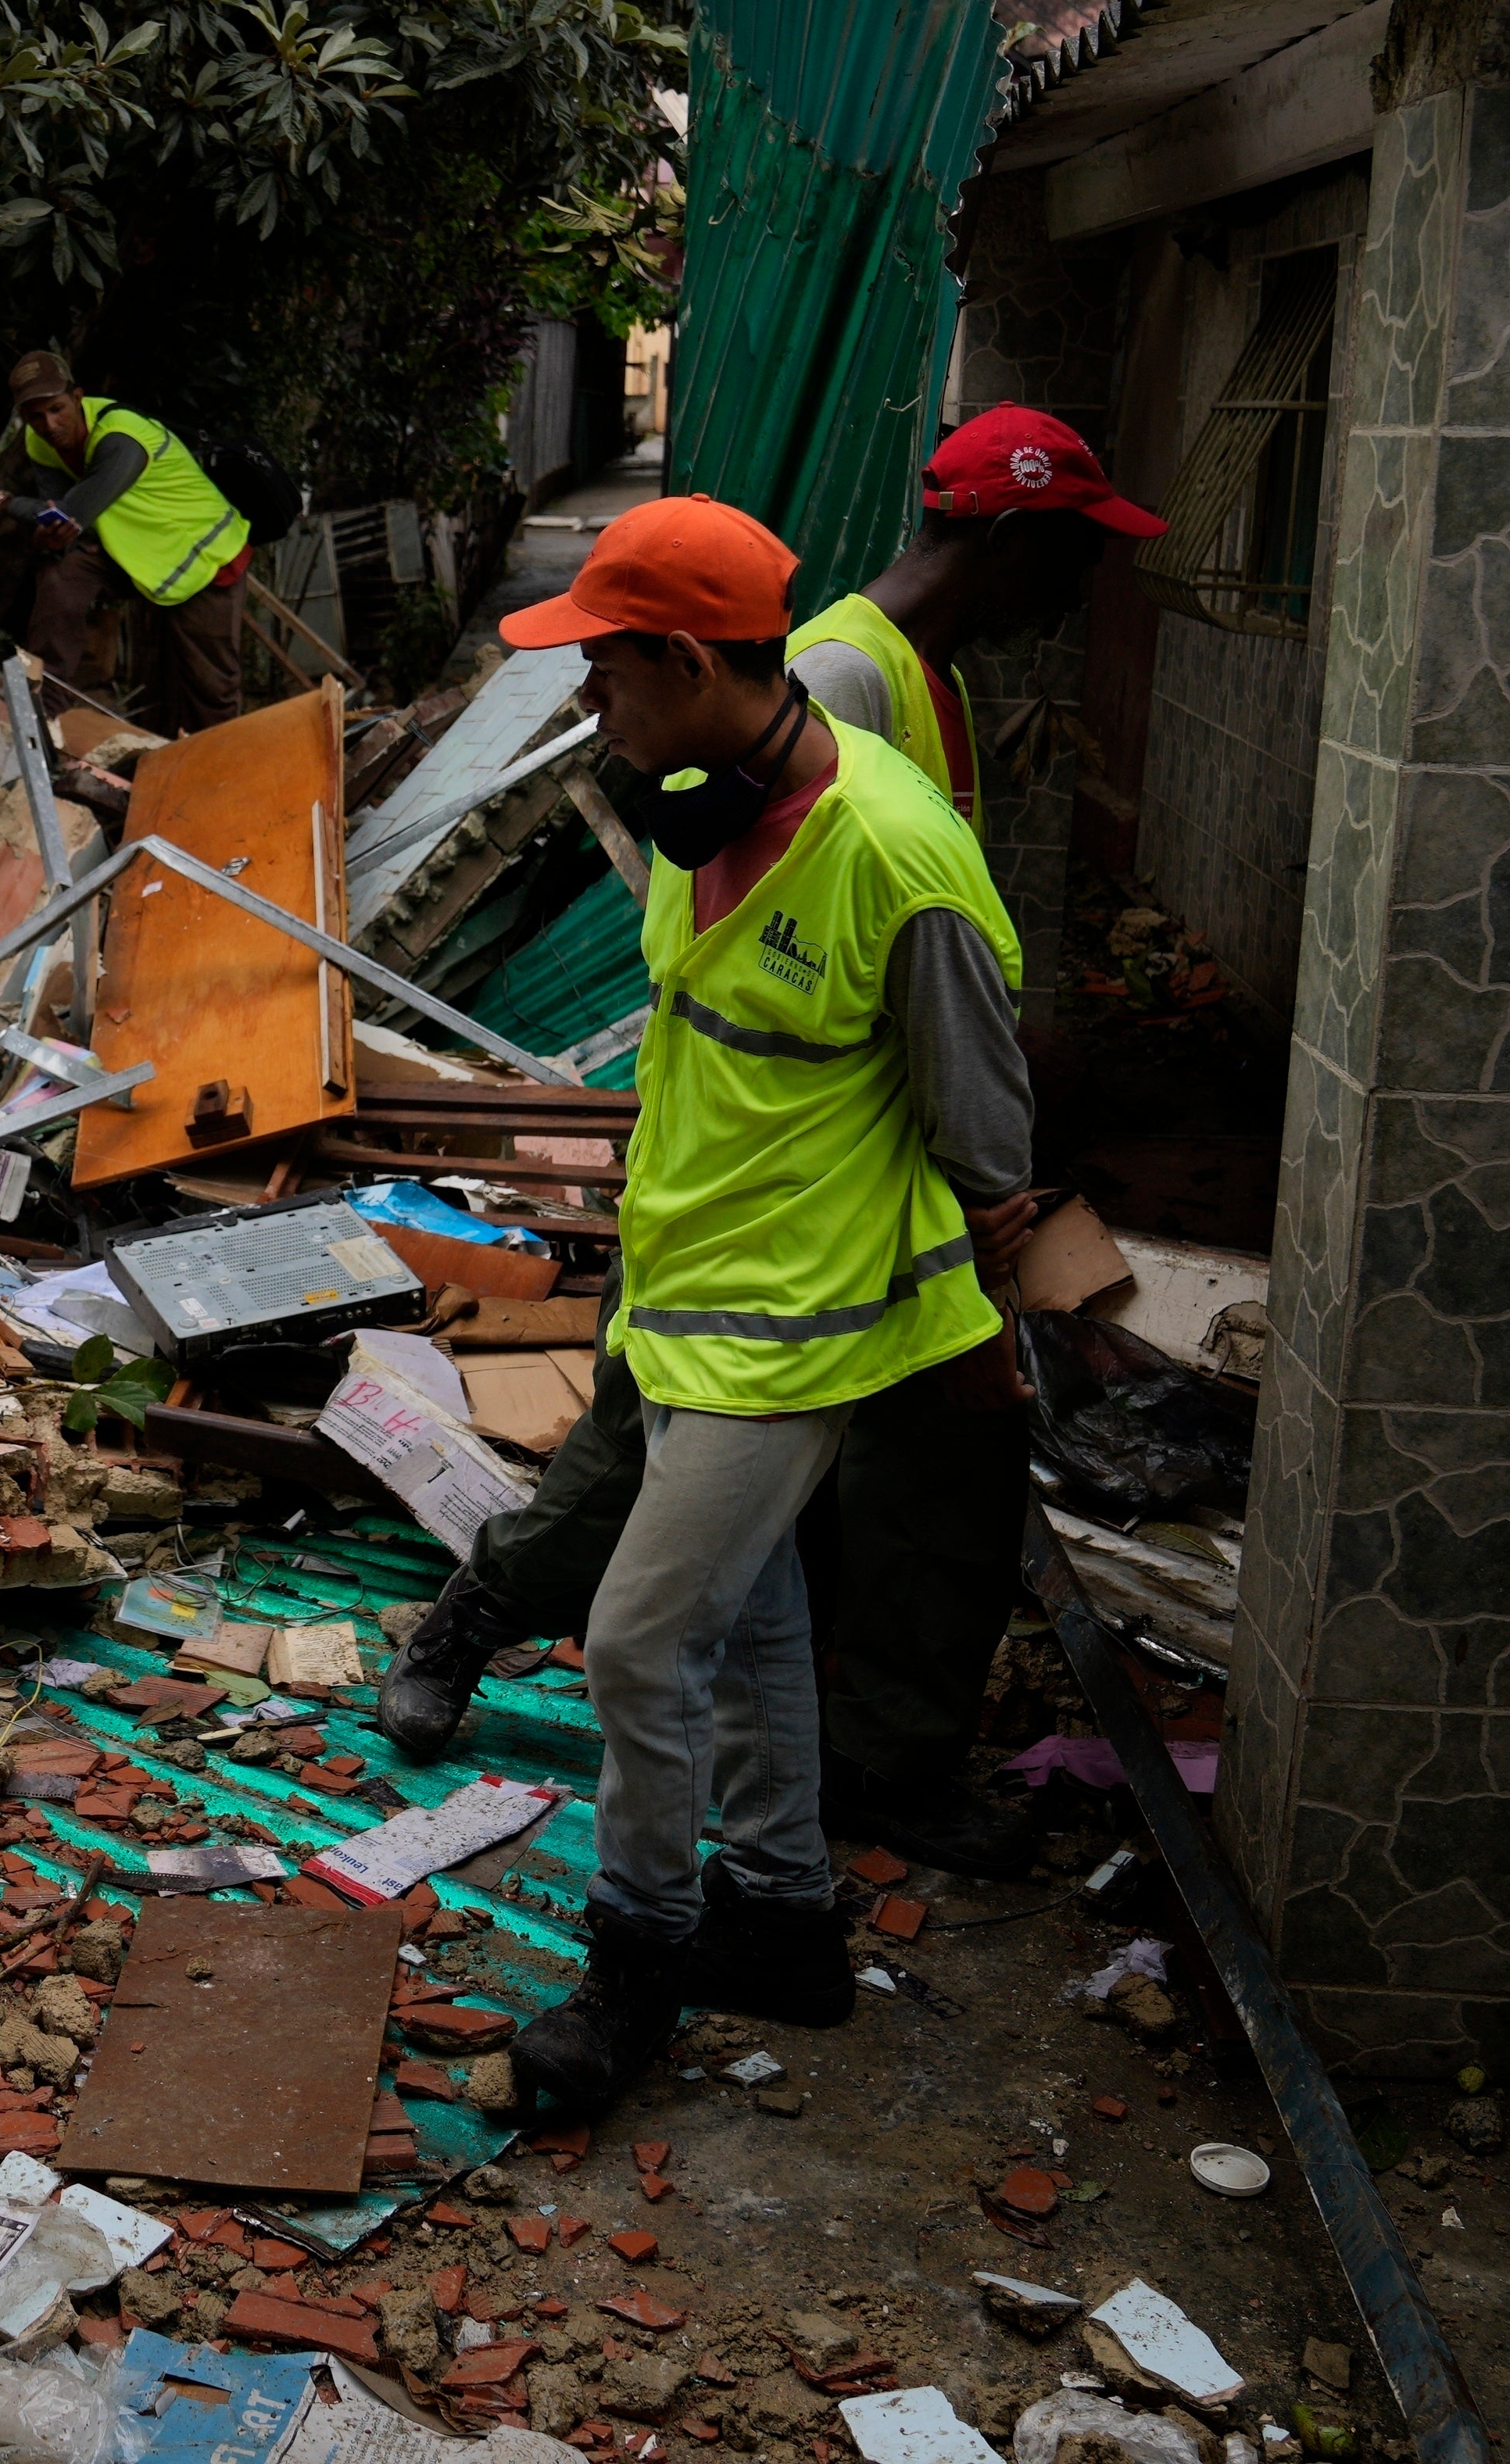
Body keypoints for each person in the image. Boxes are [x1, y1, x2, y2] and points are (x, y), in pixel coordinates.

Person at [379, 409, 1163, 1883]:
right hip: (732, 1215)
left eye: (603, 672)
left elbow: (910, 977)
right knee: (649, 1519)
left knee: (854, 1528)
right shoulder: (825, 695)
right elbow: (764, 990)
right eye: (1074, 552)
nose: (590, 708)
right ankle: (503, 1634)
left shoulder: (879, 749)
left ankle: (818, 1832)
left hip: (842, 1229)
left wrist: (980, 1212)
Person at [478, 495, 1037, 2113]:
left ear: (689, 658)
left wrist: (973, 1340)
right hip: (684, 1289)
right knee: (755, 1622)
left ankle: (638, 1962)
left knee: (639, 1647)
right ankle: (785, 1922)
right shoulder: (698, 810)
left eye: (606, 670)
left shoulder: (896, 856)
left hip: (794, 1331)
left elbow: (987, 1146)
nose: (590, 701)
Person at [0, 350, 250, 736]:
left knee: (211, 689)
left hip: (202, 559)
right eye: (36, 417)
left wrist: (7, 503)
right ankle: (42, 711)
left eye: (58, 409)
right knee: (62, 577)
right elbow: (57, 516)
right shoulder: (38, 441)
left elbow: (70, 512)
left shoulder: (122, 440)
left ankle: (225, 763)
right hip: (135, 554)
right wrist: (50, 532)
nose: (50, 425)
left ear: (78, 398)